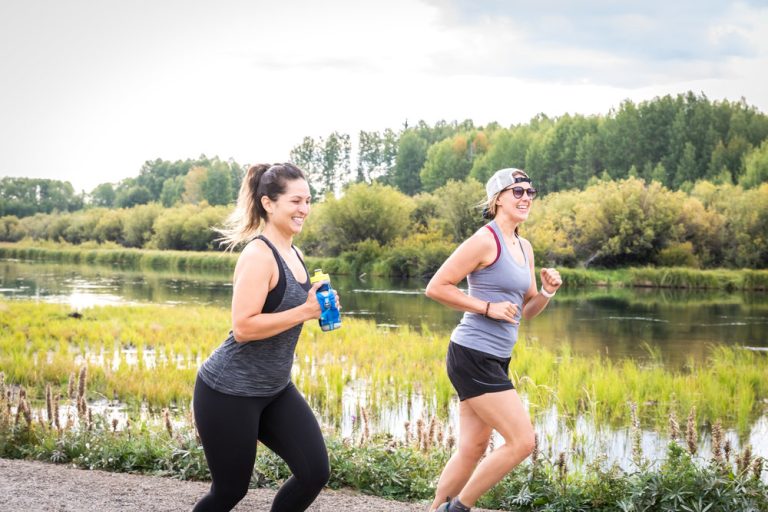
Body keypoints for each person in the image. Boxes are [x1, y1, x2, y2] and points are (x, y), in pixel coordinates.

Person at [192, 163, 335, 512]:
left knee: (314, 472)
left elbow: (287, 310)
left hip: (274, 388)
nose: (304, 209)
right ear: (269, 203)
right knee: (229, 491)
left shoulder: (294, 252)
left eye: (308, 200)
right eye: (296, 200)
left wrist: (315, 303)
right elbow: (243, 327)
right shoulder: (259, 254)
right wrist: (305, 311)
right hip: (229, 391)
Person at [425, 168, 562, 512]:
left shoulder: (524, 246)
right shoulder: (485, 240)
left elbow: (526, 311)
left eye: (531, 191)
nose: (526, 197)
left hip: (496, 357)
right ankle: (458, 508)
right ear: (497, 198)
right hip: (473, 353)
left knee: (472, 447)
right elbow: (436, 287)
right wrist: (486, 307)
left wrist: (547, 291)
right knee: (522, 441)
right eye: (518, 191)